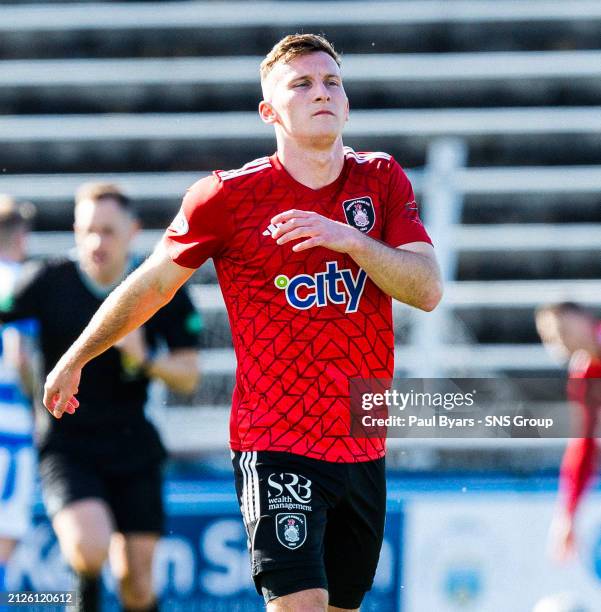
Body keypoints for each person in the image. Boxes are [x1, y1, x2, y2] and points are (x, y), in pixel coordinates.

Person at [40, 35, 442, 612]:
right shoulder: (228, 197)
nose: (321, 93)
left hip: (361, 444)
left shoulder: (380, 180)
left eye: (332, 82)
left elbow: (426, 289)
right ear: (269, 111)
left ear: (348, 104)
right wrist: (78, 355)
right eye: (300, 84)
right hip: (276, 440)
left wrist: (350, 240)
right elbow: (152, 284)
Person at [0, 183, 201, 612]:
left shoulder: (158, 288)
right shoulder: (47, 279)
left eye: (108, 231)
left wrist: (145, 358)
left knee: (138, 584)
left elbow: (188, 378)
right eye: (88, 230)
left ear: (133, 231)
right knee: (88, 549)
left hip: (133, 443)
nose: (96, 242)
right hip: (67, 443)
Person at [535, 302, 601, 562]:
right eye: (549, 337)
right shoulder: (584, 376)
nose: (559, 339)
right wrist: (567, 514)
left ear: (583, 316)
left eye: (561, 328)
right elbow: (582, 444)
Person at [0, 195, 37, 594]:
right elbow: (18, 355)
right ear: (21, 237)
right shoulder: (18, 282)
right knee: (2, 545)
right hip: (7, 425)